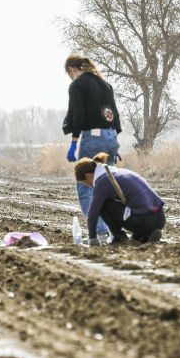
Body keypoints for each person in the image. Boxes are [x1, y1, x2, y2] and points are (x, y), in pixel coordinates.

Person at [62, 55, 121, 239]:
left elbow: (78, 113)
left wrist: (74, 142)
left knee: (85, 184)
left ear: (72, 69)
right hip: (111, 136)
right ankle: (114, 231)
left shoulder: (78, 84)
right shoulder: (105, 84)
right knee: (109, 185)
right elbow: (114, 114)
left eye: (69, 73)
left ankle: (100, 231)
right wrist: (112, 141)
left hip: (92, 138)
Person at [75, 152, 165, 246]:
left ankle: (118, 237)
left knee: (103, 204)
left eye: (84, 183)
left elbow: (93, 213)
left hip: (144, 220)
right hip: (160, 218)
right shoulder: (117, 172)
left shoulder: (102, 181)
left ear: (88, 176)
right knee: (137, 237)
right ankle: (145, 234)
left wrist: (92, 238)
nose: (88, 186)